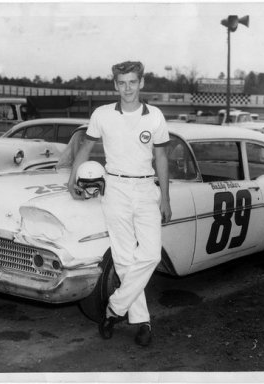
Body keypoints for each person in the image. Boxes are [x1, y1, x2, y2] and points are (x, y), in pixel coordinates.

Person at [67, 60, 172, 347]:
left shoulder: (155, 116)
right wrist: (71, 179)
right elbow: (85, 148)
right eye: (122, 83)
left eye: (132, 82)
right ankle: (142, 322)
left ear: (142, 83)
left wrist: (166, 197)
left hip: (145, 187)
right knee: (125, 259)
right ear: (115, 85)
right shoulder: (102, 114)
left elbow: (162, 157)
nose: (127, 88)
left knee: (150, 255)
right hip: (115, 187)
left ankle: (114, 308)